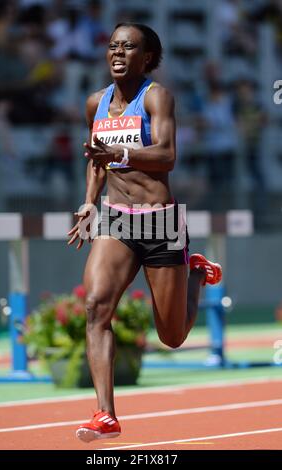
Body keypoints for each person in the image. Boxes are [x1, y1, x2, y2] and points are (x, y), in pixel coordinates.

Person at [67, 22, 222, 443]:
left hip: (160, 220)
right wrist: (88, 201)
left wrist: (121, 151)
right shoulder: (94, 103)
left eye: (128, 47)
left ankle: (194, 272)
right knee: (96, 306)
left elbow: (168, 156)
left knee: (171, 336)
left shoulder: (156, 97)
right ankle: (105, 414)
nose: (117, 53)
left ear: (148, 57)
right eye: (113, 46)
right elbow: (95, 159)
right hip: (116, 218)